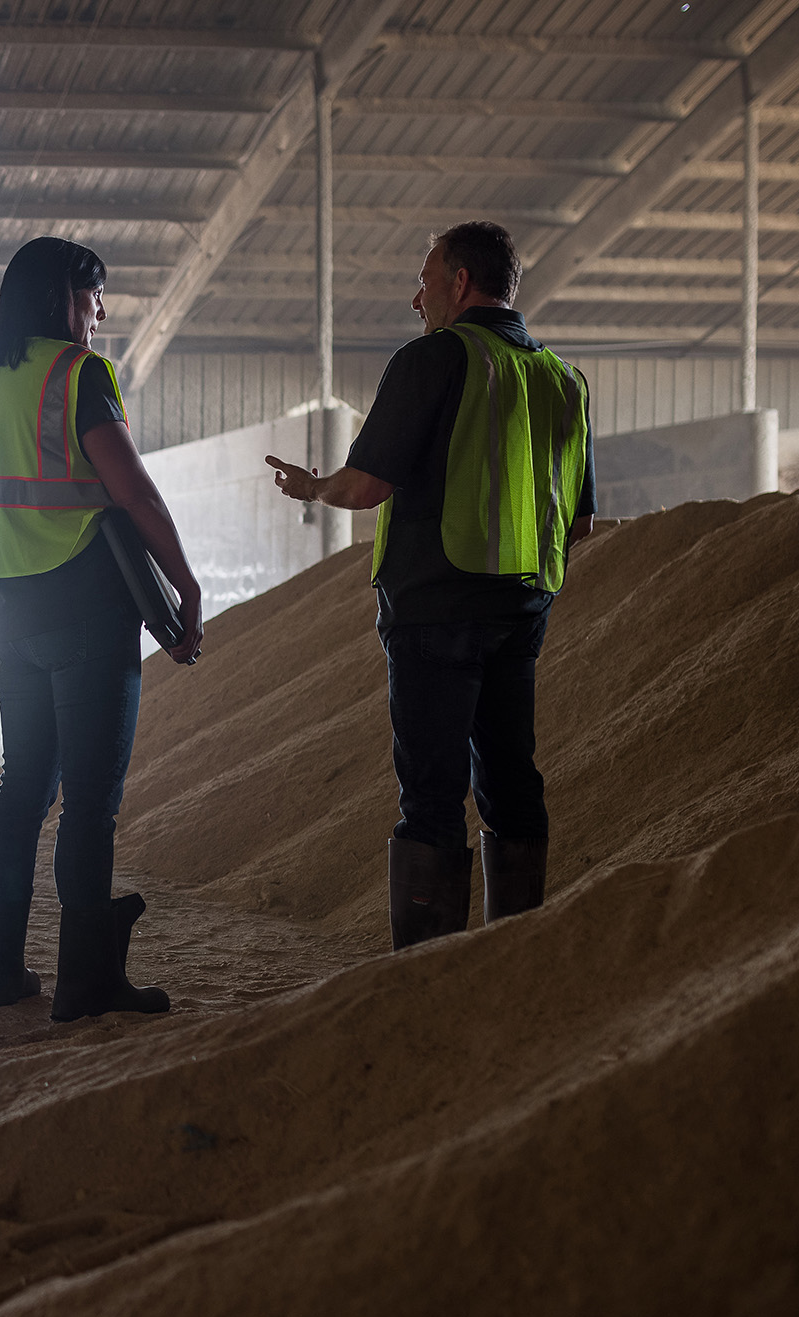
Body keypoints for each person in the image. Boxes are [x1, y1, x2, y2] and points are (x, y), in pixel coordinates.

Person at [265, 220, 595, 949]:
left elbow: (366, 486)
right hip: (523, 611)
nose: (417, 300)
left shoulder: (436, 358)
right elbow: (580, 523)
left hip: (435, 609)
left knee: (432, 795)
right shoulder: (562, 380)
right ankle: (512, 955)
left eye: (425, 282)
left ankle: (426, 974)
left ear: (460, 282)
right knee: (511, 781)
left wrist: (312, 487)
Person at [0, 236, 206, 1022]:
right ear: (64, 297)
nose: (99, 314)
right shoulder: (77, 374)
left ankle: (0, 972)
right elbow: (134, 492)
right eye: (93, 298)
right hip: (85, 608)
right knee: (89, 804)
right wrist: (186, 584)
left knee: (23, 789)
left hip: (6, 614)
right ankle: (87, 983)